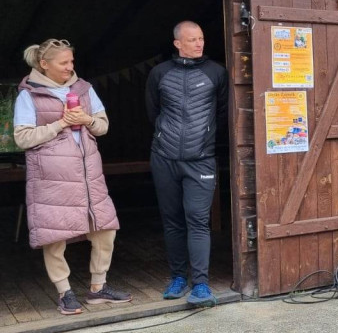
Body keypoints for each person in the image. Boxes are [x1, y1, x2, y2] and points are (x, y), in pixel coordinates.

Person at [14, 39, 130, 315]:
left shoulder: (84, 89)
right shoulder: (29, 95)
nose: (70, 67)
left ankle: (98, 288)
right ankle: (64, 293)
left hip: (89, 175)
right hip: (51, 178)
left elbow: (102, 126)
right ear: (44, 64)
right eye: (63, 63)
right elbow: (23, 137)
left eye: (72, 62)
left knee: (105, 230)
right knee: (55, 235)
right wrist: (61, 123)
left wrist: (87, 120)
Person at [145, 21, 228, 307]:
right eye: (192, 39)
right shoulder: (160, 73)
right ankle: (178, 277)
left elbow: (222, 112)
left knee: (197, 220)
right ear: (177, 43)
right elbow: (153, 111)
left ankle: (201, 285)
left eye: (201, 39)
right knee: (173, 221)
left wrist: (204, 140)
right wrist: (165, 139)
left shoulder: (216, 72)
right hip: (164, 157)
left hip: (201, 159)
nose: (199, 44)